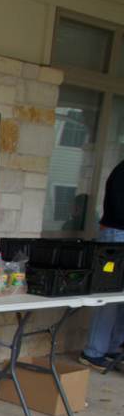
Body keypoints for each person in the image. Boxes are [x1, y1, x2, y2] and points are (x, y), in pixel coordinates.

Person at [80, 158, 124, 369]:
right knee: (108, 295)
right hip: (117, 235)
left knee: (121, 297)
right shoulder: (122, 171)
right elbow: (118, 208)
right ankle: (93, 351)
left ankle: (113, 348)